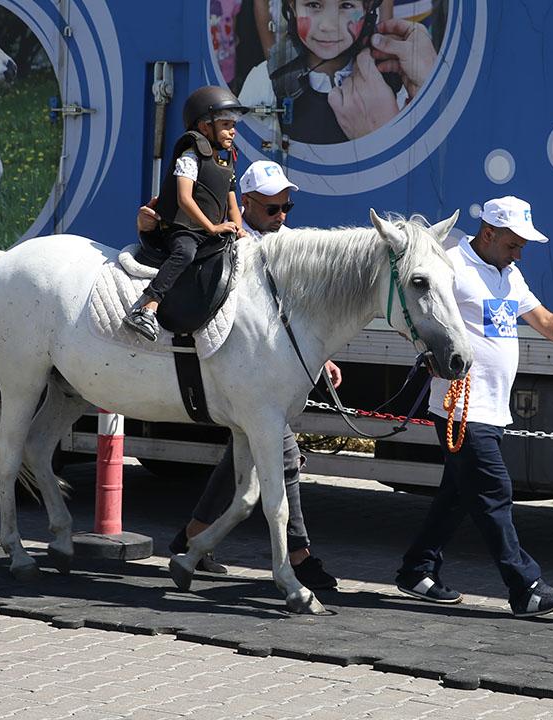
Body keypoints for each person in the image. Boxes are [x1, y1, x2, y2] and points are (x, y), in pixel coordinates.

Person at [394, 196, 553, 619]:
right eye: (514, 244)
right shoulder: (450, 263)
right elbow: (417, 310)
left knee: (458, 496)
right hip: (460, 405)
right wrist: (425, 351)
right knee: (494, 492)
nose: (520, 253)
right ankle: (526, 587)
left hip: (492, 407)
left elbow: (547, 321)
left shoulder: (509, 274)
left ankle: (416, 570)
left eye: (523, 246)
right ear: (488, 233)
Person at [136, 160, 341, 591]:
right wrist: (148, 229)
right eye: (272, 209)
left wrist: (320, 358)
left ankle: (193, 537)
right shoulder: (227, 239)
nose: (282, 216)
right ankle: (298, 556)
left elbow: (303, 315)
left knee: (245, 457)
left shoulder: (290, 246)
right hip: (234, 369)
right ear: (245, 204)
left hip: (273, 371)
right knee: (280, 454)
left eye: (287, 206)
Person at [124, 86, 249, 341]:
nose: (232, 131)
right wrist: (213, 228)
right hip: (183, 230)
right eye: (225, 124)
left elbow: (232, 203)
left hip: (208, 232)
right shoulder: (190, 157)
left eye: (233, 125)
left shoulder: (226, 163)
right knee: (185, 253)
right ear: (204, 127)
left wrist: (239, 229)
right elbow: (184, 199)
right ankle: (148, 306)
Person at [238, 0, 437, 143]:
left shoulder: (393, 84)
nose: (329, 25)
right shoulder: (265, 82)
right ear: (292, 6)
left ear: (368, 8)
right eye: (314, 5)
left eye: (346, 5)